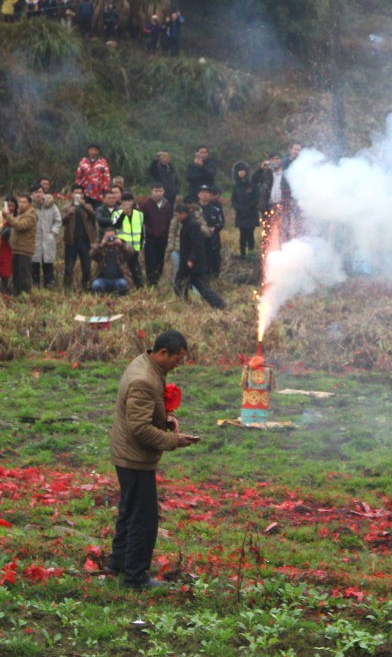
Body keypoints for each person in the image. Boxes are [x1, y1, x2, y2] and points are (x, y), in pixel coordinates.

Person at [106, 329, 200, 590]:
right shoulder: (145, 379)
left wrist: (164, 418)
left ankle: (118, 563)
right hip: (134, 457)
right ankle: (135, 578)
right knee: (144, 519)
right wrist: (174, 440)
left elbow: (142, 414)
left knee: (129, 511)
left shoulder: (144, 364)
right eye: (177, 359)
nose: (178, 365)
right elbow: (139, 428)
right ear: (162, 353)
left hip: (127, 453)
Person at [173, 203, 226, 309]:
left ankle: (219, 304)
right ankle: (187, 303)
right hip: (187, 262)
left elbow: (197, 245)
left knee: (202, 288)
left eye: (177, 214)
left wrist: (191, 259)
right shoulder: (187, 224)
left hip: (194, 264)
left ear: (183, 214)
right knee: (179, 284)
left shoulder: (193, 225)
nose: (176, 217)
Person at [62, 185, 98, 288]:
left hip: (85, 241)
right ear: (72, 194)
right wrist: (69, 213)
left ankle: (86, 286)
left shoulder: (88, 206)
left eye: (80, 192)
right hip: (71, 241)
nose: (78, 194)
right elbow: (61, 221)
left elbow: (94, 216)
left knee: (86, 267)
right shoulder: (67, 207)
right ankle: (67, 287)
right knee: (69, 266)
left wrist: (84, 206)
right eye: (75, 192)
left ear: (83, 194)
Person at [6, 193, 38, 295]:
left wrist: (8, 217)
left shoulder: (31, 216)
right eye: (20, 202)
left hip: (25, 249)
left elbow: (20, 226)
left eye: (24, 202)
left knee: (24, 274)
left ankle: (26, 294)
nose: (21, 204)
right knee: (17, 274)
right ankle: (17, 293)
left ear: (30, 204)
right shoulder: (20, 214)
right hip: (16, 248)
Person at [91, 229, 137, 295]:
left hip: (118, 280)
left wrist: (121, 244)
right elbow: (91, 254)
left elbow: (132, 252)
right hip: (103, 280)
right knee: (96, 285)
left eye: (112, 237)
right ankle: (103, 293)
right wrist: (101, 244)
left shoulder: (120, 249)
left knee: (123, 284)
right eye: (108, 238)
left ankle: (117, 292)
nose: (111, 239)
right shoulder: (102, 249)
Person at [230, 161, 258, 257]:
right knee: (242, 235)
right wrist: (238, 208)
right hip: (240, 214)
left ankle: (251, 254)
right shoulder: (236, 186)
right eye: (239, 171)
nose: (241, 173)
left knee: (250, 234)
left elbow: (256, 198)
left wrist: (249, 207)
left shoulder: (252, 184)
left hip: (251, 213)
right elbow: (233, 200)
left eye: (243, 171)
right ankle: (242, 254)